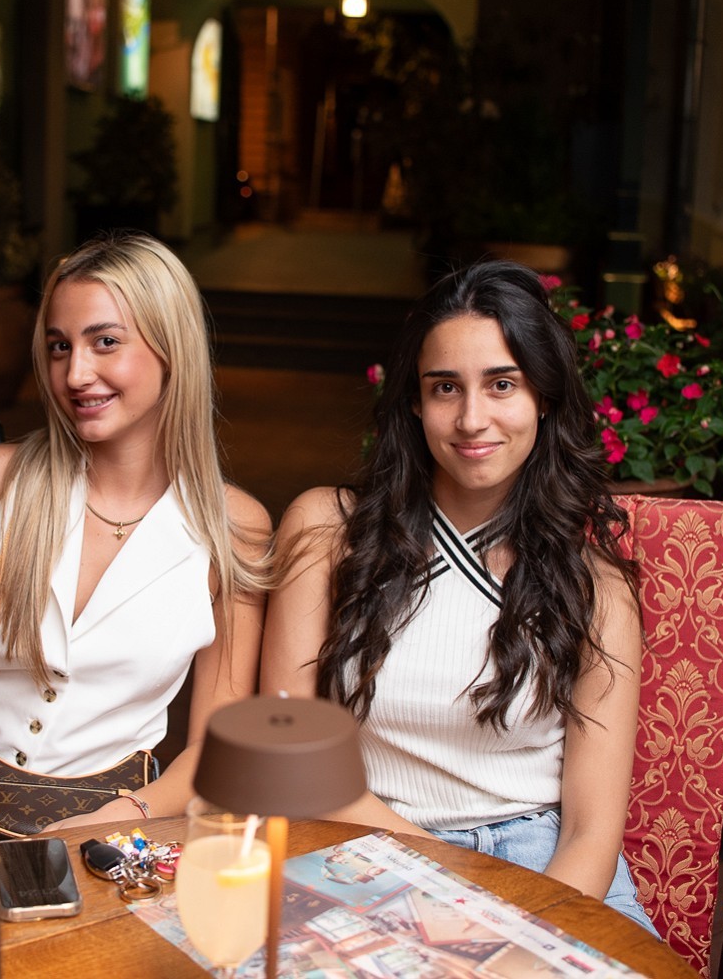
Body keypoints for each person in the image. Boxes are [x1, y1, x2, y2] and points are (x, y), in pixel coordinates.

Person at [261, 260, 659, 935]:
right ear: (414, 403)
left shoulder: (596, 588)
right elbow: (289, 754)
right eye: (445, 387)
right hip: (366, 851)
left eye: (502, 384)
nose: (472, 419)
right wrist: (451, 888)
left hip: (545, 866)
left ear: (543, 397)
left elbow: (590, 832)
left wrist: (520, 936)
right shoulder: (327, 530)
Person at [0, 232, 270, 831]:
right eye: (59, 346)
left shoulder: (233, 528)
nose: (75, 373)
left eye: (105, 342)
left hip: (117, 837)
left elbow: (216, 748)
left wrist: (120, 817)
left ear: (173, 349)